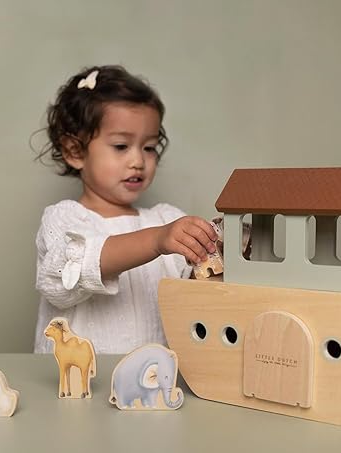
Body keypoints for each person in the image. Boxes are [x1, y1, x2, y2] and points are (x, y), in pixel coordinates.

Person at [32, 65, 217, 354]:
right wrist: (156, 240)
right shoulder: (65, 219)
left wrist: (216, 251)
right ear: (74, 151)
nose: (138, 161)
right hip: (81, 377)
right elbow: (70, 274)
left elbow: (196, 294)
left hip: (154, 378)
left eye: (149, 147)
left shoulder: (165, 218)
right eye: (121, 146)